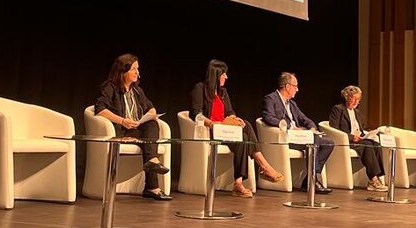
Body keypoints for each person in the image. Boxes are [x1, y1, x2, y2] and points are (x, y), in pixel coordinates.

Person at [190, 59, 284, 198]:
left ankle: (239, 183)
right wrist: (212, 124)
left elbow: (230, 112)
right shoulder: (200, 88)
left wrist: (234, 119)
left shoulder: (223, 92)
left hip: (225, 131)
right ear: (216, 74)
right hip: (210, 131)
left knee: (245, 131)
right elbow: (196, 114)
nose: (226, 77)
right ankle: (264, 167)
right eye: (224, 74)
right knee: (244, 135)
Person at [94, 53, 172, 201]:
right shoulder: (110, 87)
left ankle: (152, 163)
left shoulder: (137, 90)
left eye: (138, 69)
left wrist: (148, 116)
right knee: (149, 141)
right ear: (123, 71)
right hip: (120, 130)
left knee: (152, 123)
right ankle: (152, 186)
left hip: (135, 130)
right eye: (133, 69)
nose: (137, 72)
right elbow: (100, 110)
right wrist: (123, 121)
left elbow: (151, 108)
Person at [261, 72, 334, 194]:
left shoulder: (292, 104)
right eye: (295, 86)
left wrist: (311, 128)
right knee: (314, 140)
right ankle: (313, 180)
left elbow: (304, 119)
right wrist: (289, 127)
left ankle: (310, 178)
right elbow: (268, 117)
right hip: (285, 137)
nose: (297, 89)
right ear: (287, 86)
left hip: (299, 137)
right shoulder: (270, 98)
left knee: (328, 143)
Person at [328, 86, 388, 192]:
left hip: (359, 140)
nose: (357, 102)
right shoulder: (338, 109)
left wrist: (371, 134)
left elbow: (361, 129)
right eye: (354, 98)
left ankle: (379, 177)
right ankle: (373, 180)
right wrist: (352, 137)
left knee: (375, 143)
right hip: (346, 141)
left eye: (358, 99)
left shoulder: (357, 113)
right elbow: (334, 129)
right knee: (367, 145)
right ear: (347, 97)